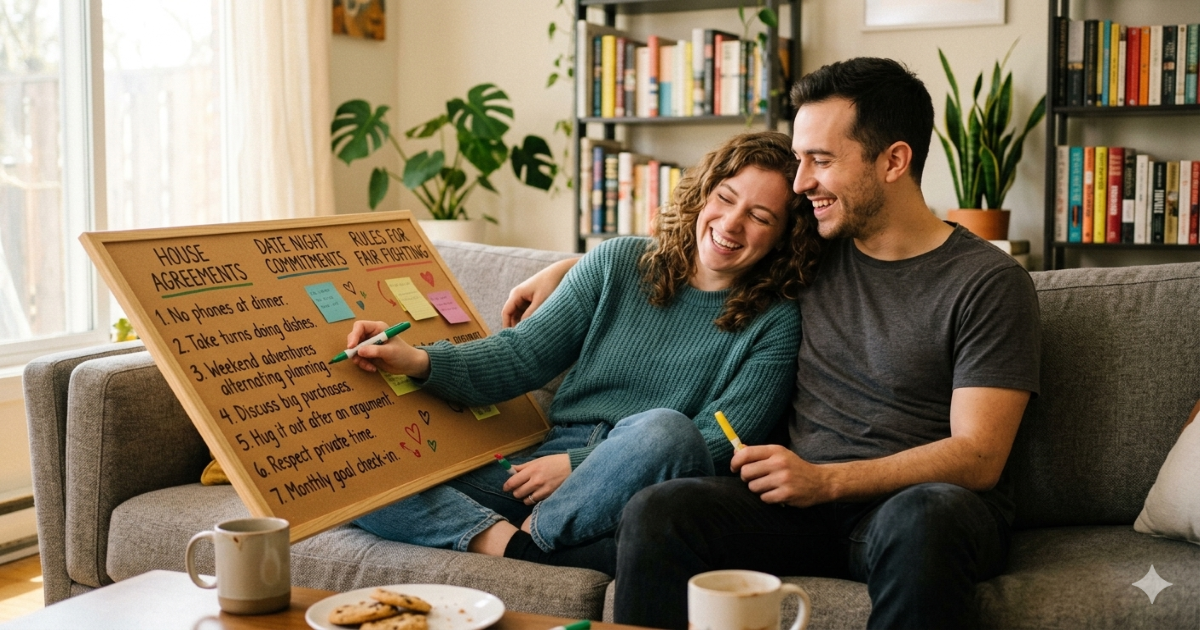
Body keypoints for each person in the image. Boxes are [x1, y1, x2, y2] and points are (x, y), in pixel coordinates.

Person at [502, 58, 1041, 628]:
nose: (802, 180)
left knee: (925, 518)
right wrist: (569, 268)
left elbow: (980, 456)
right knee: (663, 510)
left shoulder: (989, 282)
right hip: (803, 513)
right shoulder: (813, 252)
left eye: (821, 160)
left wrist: (827, 479)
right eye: (802, 158)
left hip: (919, 507)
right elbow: (701, 247)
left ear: (894, 161)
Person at [343, 131, 822, 575]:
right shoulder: (617, 263)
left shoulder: (775, 321)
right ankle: (518, 549)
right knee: (357, 479)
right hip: (536, 467)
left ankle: (544, 534)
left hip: (642, 478)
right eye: (725, 198)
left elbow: (717, 442)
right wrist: (417, 359)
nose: (731, 223)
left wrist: (581, 465)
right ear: (703, 195)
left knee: (667, 428)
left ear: (784, 238)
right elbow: (518, 357)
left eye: (760, 217)